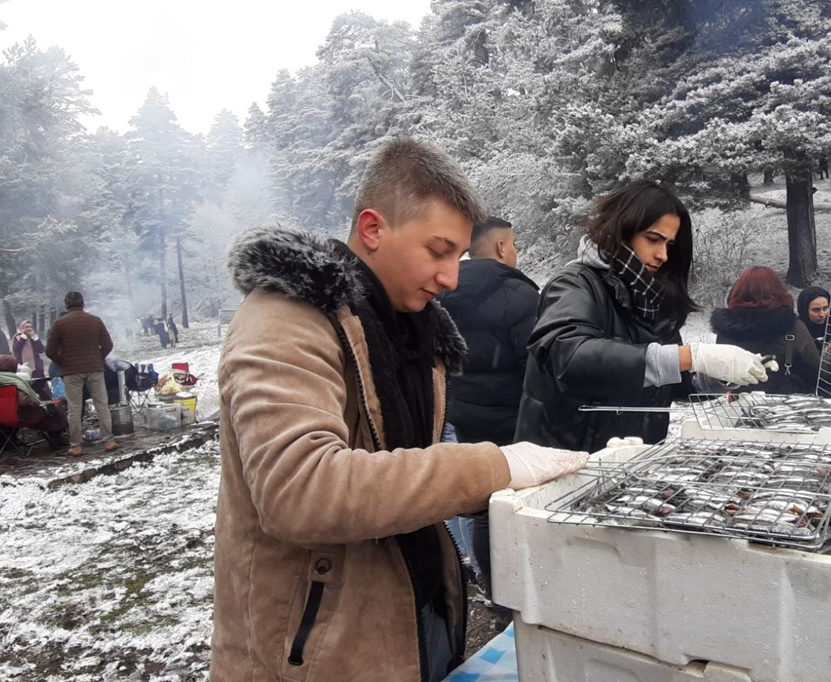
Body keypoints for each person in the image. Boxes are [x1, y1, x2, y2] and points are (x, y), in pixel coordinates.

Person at [210, 139, 588, 682]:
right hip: (314, 648)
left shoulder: (418, 332)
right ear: (372, 230)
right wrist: (494, 467)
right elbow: (300, 490)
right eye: (437, 251)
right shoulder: (287, 316)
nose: (452, 278)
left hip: (413, 614)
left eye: (457, 256)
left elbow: (409, 471)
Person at [515, 179, 772, 452]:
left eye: (669, 246)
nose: (662, 255)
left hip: (633, 457)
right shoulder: (575, 283)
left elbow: (669, 379)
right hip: (566, 458)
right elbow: (570, 357)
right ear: (622, 230)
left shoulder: (652, 297)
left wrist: (719, 372)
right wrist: (691, 355)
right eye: (653, 239)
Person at [437, 215, 539, 630]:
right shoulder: (518, 295)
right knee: (520, 507)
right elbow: (537, 366)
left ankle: (498, 597)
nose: (514, 252)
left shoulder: (441, 291)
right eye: (512, 244)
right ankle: (524, 595)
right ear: (501, 247)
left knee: (481, 509)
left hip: (463, 413)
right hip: (514, 420)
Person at [706, 266, 820, 395]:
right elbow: (814, 371)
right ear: (779, 292)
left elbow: (719, 373)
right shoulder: (794, 328)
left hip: (737, 406)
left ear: (738, 292)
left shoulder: (725, 330)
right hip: (786, 407)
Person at [45, 291, 116, 457]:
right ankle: (109, 441)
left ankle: (76, 446)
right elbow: (107, 344)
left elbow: (50, 351)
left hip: (71, 372)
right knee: (102, 405)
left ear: (66, 305)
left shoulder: (59, 324)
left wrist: (63, 361)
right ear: (83, 304)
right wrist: (98, 358)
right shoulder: (95, 320)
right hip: (95, 369)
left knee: (74, 409)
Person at [0, 355, 68, 446]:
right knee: (51, 412)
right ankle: (56, 438)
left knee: (46, 411)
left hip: (1, 419)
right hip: (21, 417)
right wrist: (37, 403)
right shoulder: (14, 383)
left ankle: (6, 442)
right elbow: (24, 402)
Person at [12, 320, 50, 400]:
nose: (29, 329)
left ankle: (47, 400)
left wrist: (35, 338)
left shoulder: (34, 337)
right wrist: (24, 337)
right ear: (22, 328)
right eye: (27, 327)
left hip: (36, 365)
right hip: (23, 365)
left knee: (41, 384)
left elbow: (41, 349)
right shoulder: (18, 337)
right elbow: (17, 349)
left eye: (30, 327)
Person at [796, 286, 831, 352]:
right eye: (816, 310)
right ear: (805, 311)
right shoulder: (797, 331)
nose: (822, 314)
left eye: (825, 308)